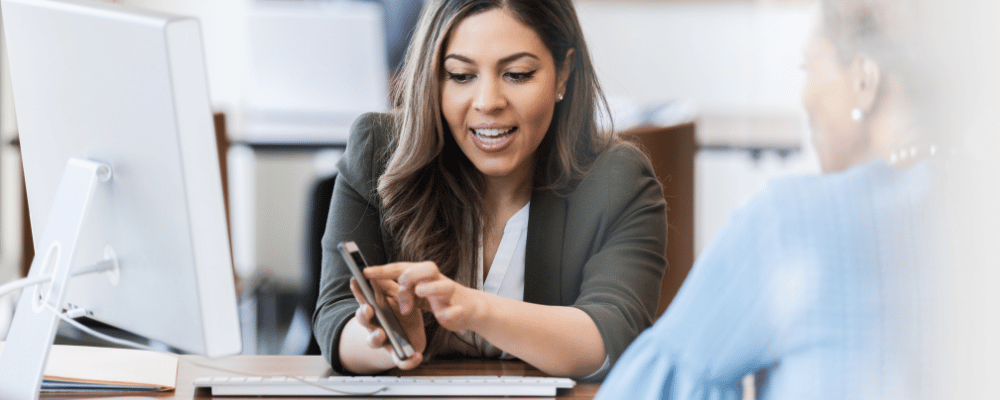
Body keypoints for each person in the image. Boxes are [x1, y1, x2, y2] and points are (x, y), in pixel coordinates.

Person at [595, 0, 942, 398]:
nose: (806, 98)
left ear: (865, 79)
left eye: (809, 69)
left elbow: (646, 389)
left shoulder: (794, 220)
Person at [312, 0, 667, 381]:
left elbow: (610, 337)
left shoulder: (617, 179)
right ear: (433, 77)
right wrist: (387, 341)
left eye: (517, 74)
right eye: (461, 76)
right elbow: (335, 314)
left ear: (564, 73)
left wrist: (472, 308)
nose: (487, 103)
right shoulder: (378, 151)